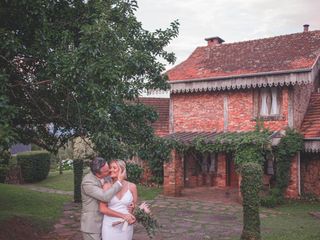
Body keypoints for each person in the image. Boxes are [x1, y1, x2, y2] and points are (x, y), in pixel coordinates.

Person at [81, 157, 126, 240]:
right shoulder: (87, 182)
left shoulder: (107, 177)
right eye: (106, 170)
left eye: (108, 167)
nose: (109, 171)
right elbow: (105, 197)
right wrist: (119, 182)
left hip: (106, 223)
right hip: (92, 225)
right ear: (98, 173)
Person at [100, 160, 138, 240]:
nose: (111, 170)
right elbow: (103, 209)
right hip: (110, 225)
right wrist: (123, 215)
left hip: (126, 226)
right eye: (110, 168)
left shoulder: (132, 186)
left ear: (122, 170)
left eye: (114, 168)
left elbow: (135, 207)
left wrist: (133, 212)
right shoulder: (106, 186)